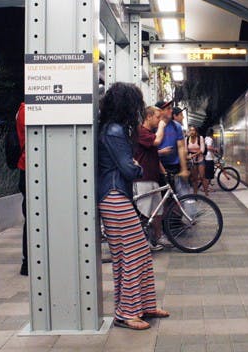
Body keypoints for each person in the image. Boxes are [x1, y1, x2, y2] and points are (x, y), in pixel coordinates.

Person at [97, 82, 169, 331]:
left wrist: (132, 164)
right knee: (134, 252)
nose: (138, 109)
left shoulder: (113, 128)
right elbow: (129, 168)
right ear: (126, 104)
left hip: (116, 195)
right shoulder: (115, 130)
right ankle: (126, 313)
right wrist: (136, 166)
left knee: (133, 253)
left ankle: (145, 305)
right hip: (114, 194)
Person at [133, 106, 172, 250]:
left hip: (153, 178)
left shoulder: (148, 133)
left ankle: (157, 237)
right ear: (148, 117)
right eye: (157, 117)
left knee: (157, 212)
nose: (159, 120)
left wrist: (164, 173)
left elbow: (154, 155)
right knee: (145, 212)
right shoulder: (141, 132)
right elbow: (157, 141)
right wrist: (162, 126)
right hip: (143, 179)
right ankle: (142, 243)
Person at [155, 100, 190, 195]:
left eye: (170, 108)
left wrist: (184, 169)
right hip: (158, 166)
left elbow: (181, 148)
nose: (171, 111)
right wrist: (160, 152)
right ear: (159, 111)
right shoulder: (154, 125)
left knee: (177, 196)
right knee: (161, 197)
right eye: (168, 109)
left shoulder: (176, 126)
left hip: (175, 166)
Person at [16, 102, 27, 276]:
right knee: (33, 218)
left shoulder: (21, 110)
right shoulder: (26, 109)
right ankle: (28, 263)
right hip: (30, 167)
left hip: (27, 167)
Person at [186, 126, 208, 195]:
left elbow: (202, 150)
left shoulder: (200, 138)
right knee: (194, 178)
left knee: (202, 177)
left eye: (193, 130)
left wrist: (192, 155)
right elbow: (186, 150)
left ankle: (206, 192)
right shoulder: (186, 139)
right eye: (190, 130)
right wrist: (187, 156)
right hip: (192, 161)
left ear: (196, 132)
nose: (192, 132)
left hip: (200, 159)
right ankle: (195, 193)